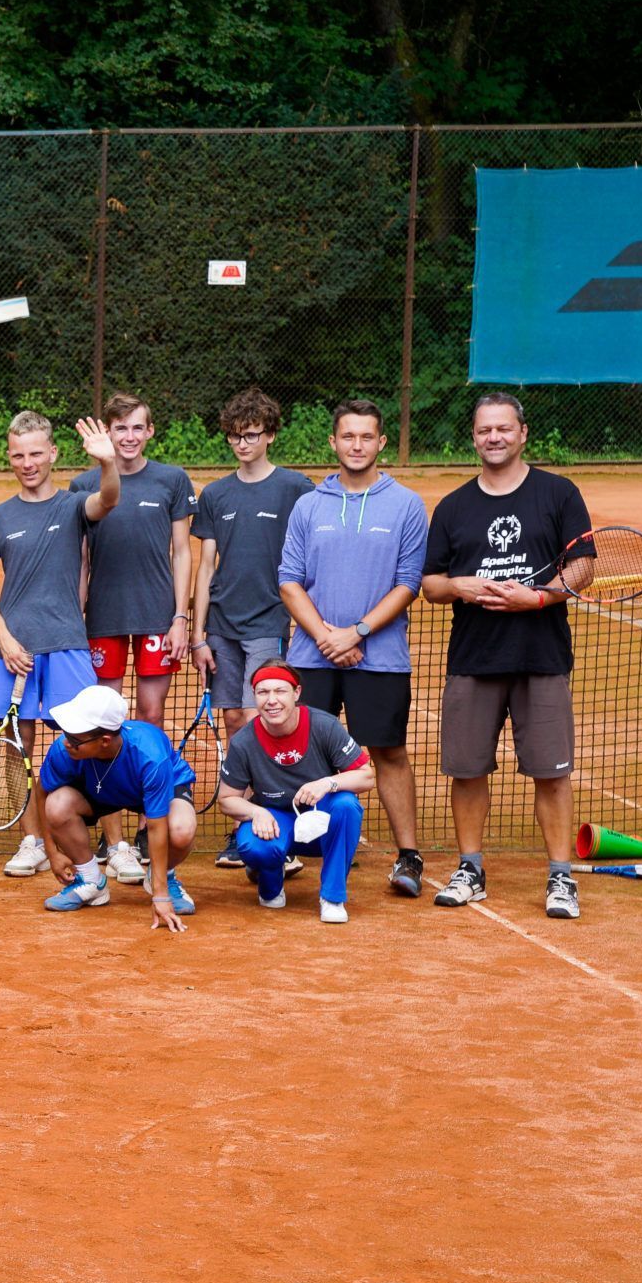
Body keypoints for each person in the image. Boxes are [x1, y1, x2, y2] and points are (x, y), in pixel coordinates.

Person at [417, 393, 595, 918]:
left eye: (502, 428)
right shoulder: (453, 507)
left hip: (541, 656)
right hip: (473, 658)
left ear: (522, 433)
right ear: (473, 438)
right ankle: (471, 868)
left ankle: (561, 878)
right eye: (483, 430)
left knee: (551, 773)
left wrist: (537, 597)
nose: (492, 437)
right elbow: (429, 584)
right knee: (467, 771)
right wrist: (462, 587)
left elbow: (583, 565)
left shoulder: (559, 494)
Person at [277, 398, 429, 897]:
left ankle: (408, 857)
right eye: (348, 436)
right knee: (300, 754)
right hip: (310, 656)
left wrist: (357, 632)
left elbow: (408, 582)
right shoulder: (308, 505)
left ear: (381, 443)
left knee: (387, 752)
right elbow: (289, 581)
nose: (357, 445)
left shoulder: (406, 504)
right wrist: (326, 636)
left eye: (367, 437)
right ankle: (289, 850)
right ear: (333, 442)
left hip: (380, 658)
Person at [0, 412, 121, 878]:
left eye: (36, 453)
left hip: (68, 647)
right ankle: (32, 840)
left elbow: (108, 500)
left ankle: (116, 847)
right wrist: (7, 641)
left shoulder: (74, 505)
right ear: (9, 458)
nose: (28, 462)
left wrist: (108, 463)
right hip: (13, 651)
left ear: (53, 453)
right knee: (21, 746)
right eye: (19, 455)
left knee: (90, 742)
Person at [69, 392, 195, 884]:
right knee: (103, 726)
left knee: (150, 718)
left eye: (136, 427)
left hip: (156, 621)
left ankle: (152, 822)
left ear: (150, 431)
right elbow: (80, 559)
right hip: (102, 621)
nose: (127, 436)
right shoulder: (85, 483)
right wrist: (76, 621)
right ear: (107, 432)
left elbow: (182, 552)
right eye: (118, 427)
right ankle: (111, 832)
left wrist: (180, 617)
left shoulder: (172, 480)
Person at [192, 389, 315, 868]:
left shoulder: (295, 488)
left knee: (263, 718)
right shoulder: (216, 494)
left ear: (270, 435)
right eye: (234, 436)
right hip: (221, 625)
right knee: (235, 722)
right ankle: (247, 826)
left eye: (251, 435)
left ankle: (276, 828)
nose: (242, 444)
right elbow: (205, 567)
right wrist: (199, 633)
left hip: (268, 621)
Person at [34, 683, 200, 931]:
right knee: (57, 804)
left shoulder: (150, 755)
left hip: (156, 788)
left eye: (75, 738)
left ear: (104, 740)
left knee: (181, 828)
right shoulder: (65, 748)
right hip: (100, 790)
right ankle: (91, 881)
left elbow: (156, 827)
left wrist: (161, 895)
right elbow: (42, 793)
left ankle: (161, 874)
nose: (66, 742)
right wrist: (51, 851)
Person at [217, 664, 376, 922]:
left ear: (296, 692)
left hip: (320, 819)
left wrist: (327, 783)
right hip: (277, 818)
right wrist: (256, 811)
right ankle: (270, 884)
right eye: (262, 692)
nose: (271, 700)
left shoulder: (324, 725)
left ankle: (332, 897)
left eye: (280, 691)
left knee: (347, 805)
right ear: (254, 696)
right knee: (255, 847)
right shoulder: (244, 741)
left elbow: (366, 776)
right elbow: (226, 799)